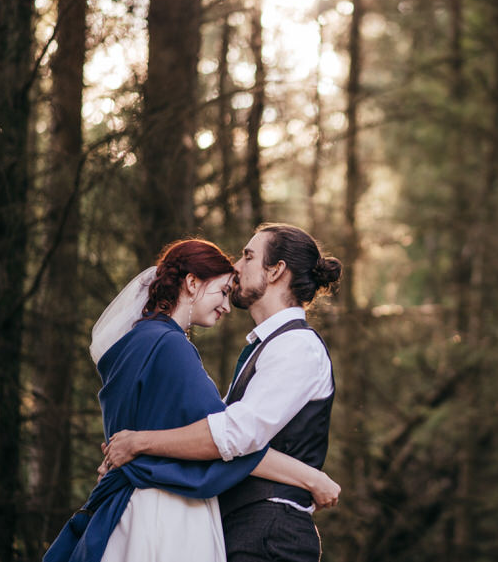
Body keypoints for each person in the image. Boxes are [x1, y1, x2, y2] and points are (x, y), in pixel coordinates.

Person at [44, 239, 339, 562]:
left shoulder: (295, 345)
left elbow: (229, 435)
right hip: (185, 517)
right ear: (192, 283)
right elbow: (227, 437)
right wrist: (311, 477)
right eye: (223, 291)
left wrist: (135, 445)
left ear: (277, 270)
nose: (237, 268)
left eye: (247, 256)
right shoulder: (172, 346)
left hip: (259, 528)